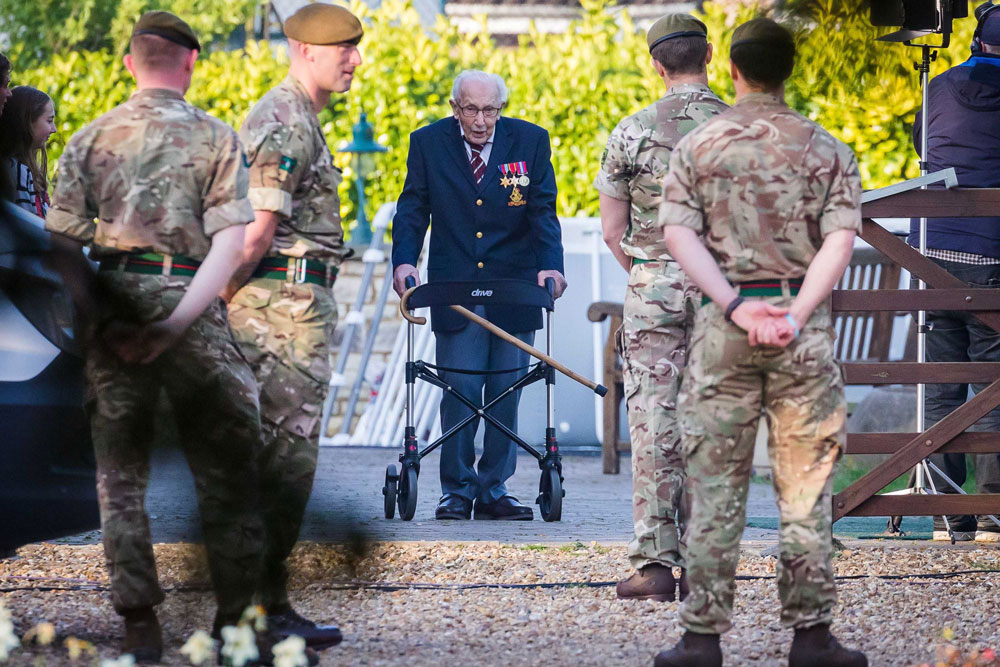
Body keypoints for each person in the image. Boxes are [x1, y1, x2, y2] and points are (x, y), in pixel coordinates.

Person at [45, 12, 267, 663]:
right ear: (190, 64)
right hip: (190, 303)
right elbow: (232, 242)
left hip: (112, 300)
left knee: (119, 473)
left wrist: (102, 316)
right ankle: (233, 616)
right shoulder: (218, 138)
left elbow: (60, 243)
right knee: (227, 460)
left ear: (128, 63)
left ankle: (139, 620)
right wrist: (176, 321)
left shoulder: (87, 138)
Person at [654, 19, 867, 667]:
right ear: (788, 69)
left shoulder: (701, 144)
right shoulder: (827, 147)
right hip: (800, 330)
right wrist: (795, 311)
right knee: (805, 483)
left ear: (735, 71)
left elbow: (677, 234)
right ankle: (811, 636)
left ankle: (700, 639)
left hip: (726, 329)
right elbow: (841, 237)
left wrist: (737, 305)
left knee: (715, 479)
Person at [223, 2, 361, 648]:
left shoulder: (301, 117)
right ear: (306, 50)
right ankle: (248, 614)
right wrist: (219, 299)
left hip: (295, 308)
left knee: (286, 463)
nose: (355, 62)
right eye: (344, 51)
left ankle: (265, 603)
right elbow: (253, 233)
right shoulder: (284, 118)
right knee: (282, 462)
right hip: (278, 313)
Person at [392, 69, 566, 521]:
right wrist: (404, 261)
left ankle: (494, 488)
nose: (481, 120)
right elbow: (412, 208)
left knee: (507, 388)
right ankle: (457, 489)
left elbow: (543, 210)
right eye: (471, 109)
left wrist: (552, 264)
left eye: (490, 110)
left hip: (514, 284)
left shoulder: (530, 141)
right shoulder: (428, 143)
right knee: (462, 387)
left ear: (501, 109)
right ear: (455, 108)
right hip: (455, 287)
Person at [594, 13, 727, 603]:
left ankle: (653, 566)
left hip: (654, 289)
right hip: (723, 292)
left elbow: (611, 230)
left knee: (653, 422)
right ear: (709, 56)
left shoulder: (631, 129)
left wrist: (650, 273)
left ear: (656, 64)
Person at [907, 0, 1000, 543]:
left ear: (977, 42)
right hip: (992, 256)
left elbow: (923, 149)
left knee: (942, 384)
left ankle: (947, 514)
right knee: (992, 383)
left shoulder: (936, 87)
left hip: (931, 254)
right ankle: (992, 515)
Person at [0, 86, 57, 217]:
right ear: (28, 122)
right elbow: (28, 225)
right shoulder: (18, 171)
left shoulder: (25, 170)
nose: (54, 129)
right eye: (49, 120)